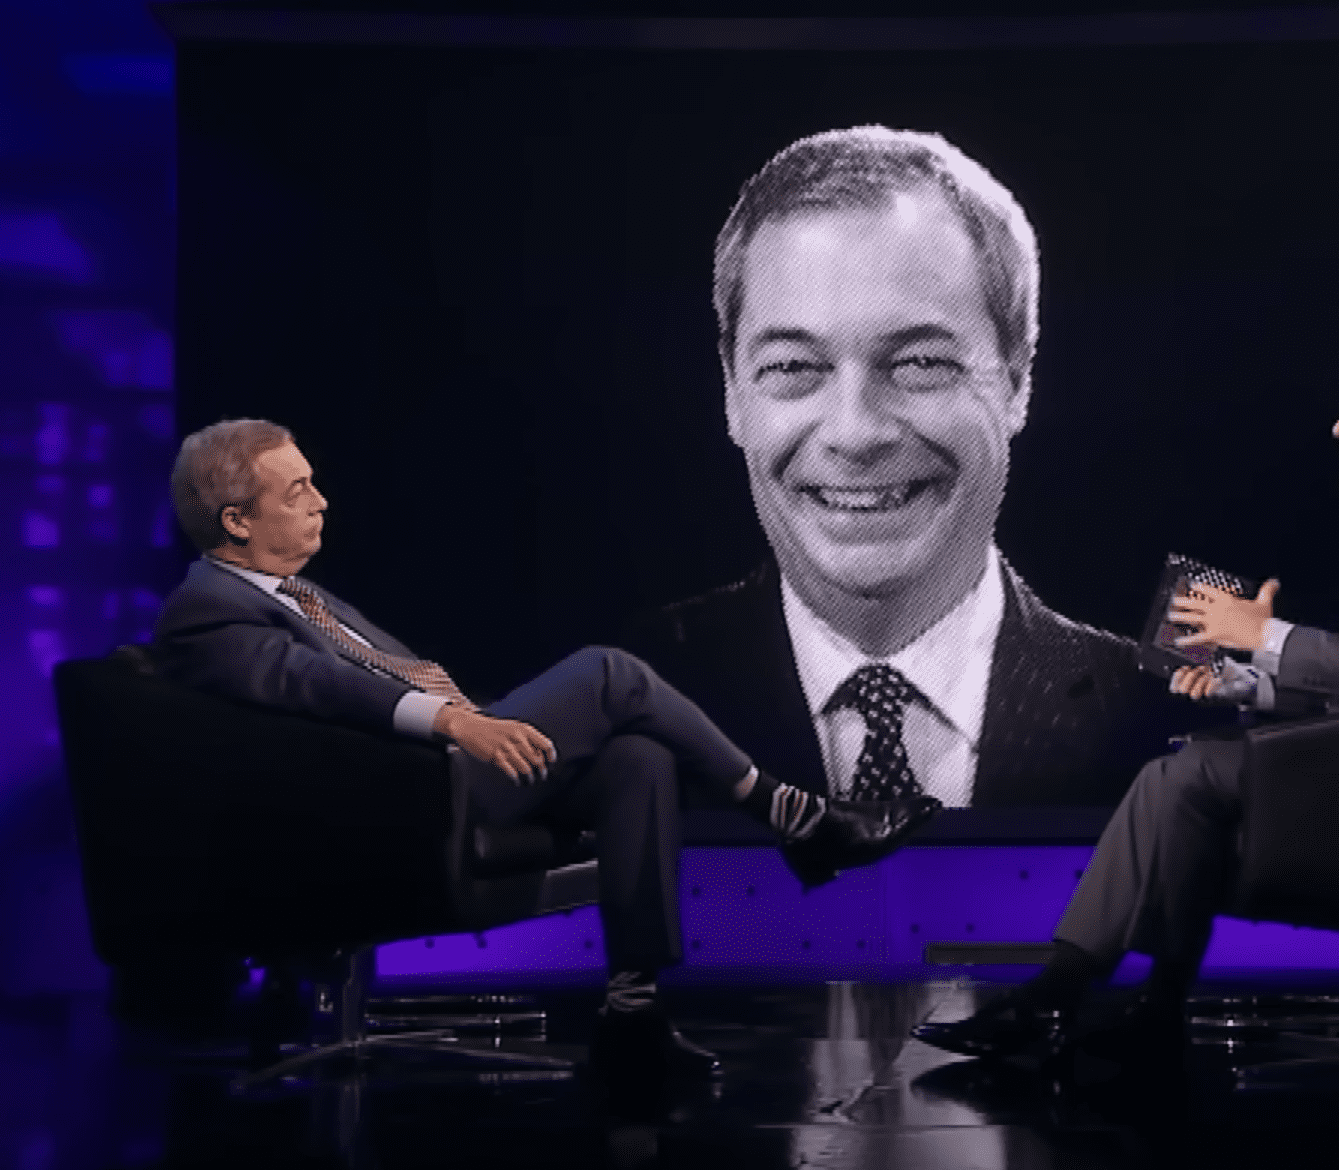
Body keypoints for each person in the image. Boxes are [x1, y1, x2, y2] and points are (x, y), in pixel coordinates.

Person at [152, 419, 941, 1080]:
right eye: (297, 492)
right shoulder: (208, 611)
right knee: (610, 673)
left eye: (314, 482)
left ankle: (632, 1016)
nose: (321, 502)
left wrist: (471, 717)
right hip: (391, 806)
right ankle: (799, 817)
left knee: (639, 757)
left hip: (423, 779)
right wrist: (458, 722)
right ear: (236, 520)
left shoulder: (300, 594)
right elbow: (309, 688)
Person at [913, 331, 1339, 1062]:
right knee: (1183, 776)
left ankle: (1072, 996)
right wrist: (1241, 680)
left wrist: (1264, 632)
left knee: (1188, 777)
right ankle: (1136, 1004)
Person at [624, 125, 1173, 812]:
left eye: (919, 363)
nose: (855, 433)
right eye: (794, 366)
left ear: (1016, 382)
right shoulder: (614, 714)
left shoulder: (1167, 723)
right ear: (733, 393)